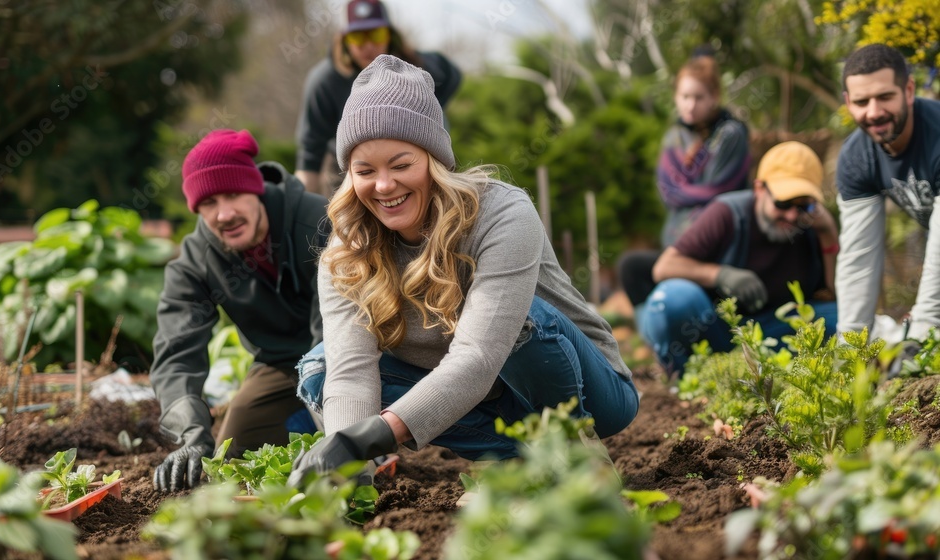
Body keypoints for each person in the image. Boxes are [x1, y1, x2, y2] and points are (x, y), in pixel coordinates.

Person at [286, 55, 639, 484]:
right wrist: (350, 456)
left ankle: (576, 453)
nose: (383, 185)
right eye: (365, 170)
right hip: (478, 403)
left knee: (524, 320)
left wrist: (374, 435)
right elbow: (352, 371)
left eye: (401, 165)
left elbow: (478, 357)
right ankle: (521, 462)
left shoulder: (501, 213)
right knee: (321, 365)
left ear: (435, 161)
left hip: (589, 390)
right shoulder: (347, 251)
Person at [150, 129, 329, 492]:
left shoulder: (319, 223)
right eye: (209, 203)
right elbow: (175, 357)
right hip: (280, 364)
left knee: (346, 447)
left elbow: (336, 334)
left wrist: (342, 429)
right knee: (231, 459)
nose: (225, 214)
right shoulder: (195, 263)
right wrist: (192, 433)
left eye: (233, 194)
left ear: (255, 188)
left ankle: (369, 434)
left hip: (354, 352)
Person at [638, 141, 839, 376]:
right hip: (718, 328)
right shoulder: (727, 213)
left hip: (774, 330)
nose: (793, 215)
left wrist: (828, 235)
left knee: (844, 318)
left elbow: (835, 294)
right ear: (759, 189)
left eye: (803, 205)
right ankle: (685, 377)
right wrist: (720, 274)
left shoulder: (815, 225)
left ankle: (767, 371)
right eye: (782, 203)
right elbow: (664, 267)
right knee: (673, 301)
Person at [618, 51, 751, 312]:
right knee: (630, 268)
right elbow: (669, 192)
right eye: (685, 97)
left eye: (699, 97)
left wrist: (685, 195)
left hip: (717, 247)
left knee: (688, 298)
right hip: (675, 248)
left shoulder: (731, 134)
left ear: (714, 97)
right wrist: (687, 194)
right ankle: (656, 339)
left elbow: (720, 193)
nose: (690, 105)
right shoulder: (674, 137)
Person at [295, 0, 461, 198]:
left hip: (418, 163)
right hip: (350, 172)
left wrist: (430, 112)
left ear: (390, 35)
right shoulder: (325, 81)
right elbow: (310, 153)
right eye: (358, 36)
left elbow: (453, 75)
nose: (368, 45)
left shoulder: (417, 65)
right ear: (345, 40)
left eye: (376, 34)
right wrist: (303, 208)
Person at [835, 43, 940, 354]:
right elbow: (858, 256)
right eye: (861, 101)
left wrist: (925, 329)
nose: (874, 112)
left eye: (884, 97)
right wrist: (850, 347)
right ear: (847, 103)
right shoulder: (856, 158)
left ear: (908, 90)